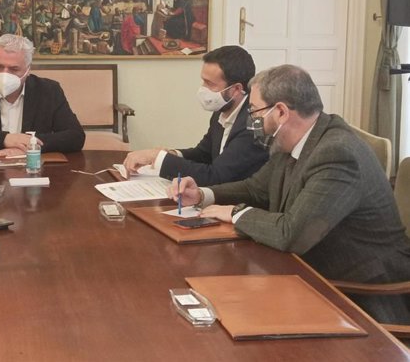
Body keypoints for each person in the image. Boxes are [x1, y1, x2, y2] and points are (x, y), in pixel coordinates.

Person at [171, 64, 410, 324]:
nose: (252, 120)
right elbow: (255, 188)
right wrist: (203, 194)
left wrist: (236, 213)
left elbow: (292, 234)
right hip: (307, 270)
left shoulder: (338, 154)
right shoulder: (296, 140)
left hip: (359, 291)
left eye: (255, 111)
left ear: (282, 111)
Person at [124, 46, 268, 185]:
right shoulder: (222, 109)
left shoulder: (254, 123)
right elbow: (203, 154)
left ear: (236, 89)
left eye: (210, 84)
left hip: (240, 204)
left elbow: (216, 176)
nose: (203, 89)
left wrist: (160, 159)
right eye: (203, 81)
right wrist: (171, 154)